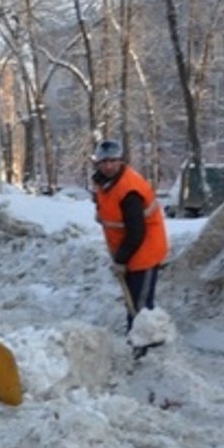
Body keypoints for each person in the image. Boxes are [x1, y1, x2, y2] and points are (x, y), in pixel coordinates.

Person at [90, 140, 169, 357]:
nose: (108, 166)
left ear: (121, 161)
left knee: (141, 303)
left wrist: (121, 260)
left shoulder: (129, 190)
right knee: (132, 300)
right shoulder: (103, 183)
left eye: (113, 161)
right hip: (128, 248)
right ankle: (136, 341)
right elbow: (105, 204)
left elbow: (136, 232)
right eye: (104, 162)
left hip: (145, 249)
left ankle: (145, 350)